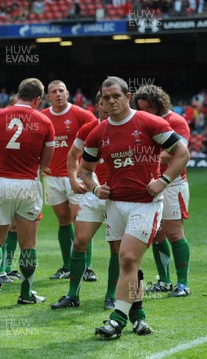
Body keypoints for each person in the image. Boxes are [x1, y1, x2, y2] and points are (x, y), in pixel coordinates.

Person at [81, 76, 189, 339]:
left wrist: (163, 181)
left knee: (128, 258)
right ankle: (138, 317)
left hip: (146, 204)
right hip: (114, 204)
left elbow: (182, 153)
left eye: (115, 96)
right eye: (105, 98)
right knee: (129, 263)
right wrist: (95, 188)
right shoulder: (99, 132)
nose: (110, 102)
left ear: (127, 97)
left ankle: (116, 320)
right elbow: (85, 169)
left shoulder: (149, 122)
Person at [0, 78, 55, 309]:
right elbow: (45, 162)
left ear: (17, 94)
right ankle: (25, 293)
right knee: (28, 244)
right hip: (29, 184)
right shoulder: (45, 121)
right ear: (37, 99)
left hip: (2, 181)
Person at [51, 91, 121, 310]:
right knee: (80, 240)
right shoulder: (89, 128)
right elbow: (72, 155)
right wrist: (73, 178)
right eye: (102, 102)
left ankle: (111, 296)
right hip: (93, 192)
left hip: (118, 195)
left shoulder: (127, 128)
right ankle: (73, 295)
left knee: (116, 248)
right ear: (98, 105)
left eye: (111, 100)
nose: (107, 105)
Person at [133, 85, 191, 297]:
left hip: (173, 183)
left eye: (149, 108)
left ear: (159, 104)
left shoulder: (176, 121)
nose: (145, 112)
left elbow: (179, 153)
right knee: (157, 234)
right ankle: (165, 281)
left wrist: (143, 156)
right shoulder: (146, 122)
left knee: (174, 232)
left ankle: (183, 283)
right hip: (151, 183)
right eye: (141, 109)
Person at [41, 80, 97, 281]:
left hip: (76, 176)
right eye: (54, 92)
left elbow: (97, 137)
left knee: (81, 221)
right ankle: (66, 266)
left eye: (61, 91)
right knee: (63, 221)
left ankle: (87, 267)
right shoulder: (43, 116)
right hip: (53, 177)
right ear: (48, 96)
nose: (58, 95)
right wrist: (40, 163)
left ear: (68, 93)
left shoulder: (82, 114)